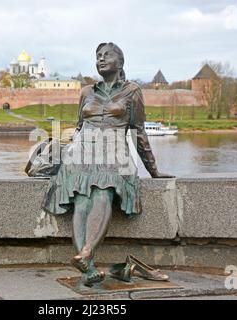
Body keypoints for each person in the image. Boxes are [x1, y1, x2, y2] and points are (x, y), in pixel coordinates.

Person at [42, 42, 174, 286]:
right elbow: (79, 127)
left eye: (107, 55)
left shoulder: (132, 91)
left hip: (114, 152)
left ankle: (86, 253)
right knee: (81, 200)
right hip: (82, 153)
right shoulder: (85, 92)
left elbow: (139, 132)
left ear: (120, 62)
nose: (101, 59)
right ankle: (88, 268)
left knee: (102, 193)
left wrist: (153, 170)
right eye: (98, 56)